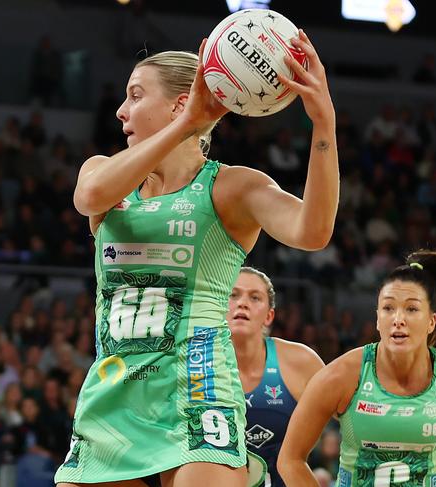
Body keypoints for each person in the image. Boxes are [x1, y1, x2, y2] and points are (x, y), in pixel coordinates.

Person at [55, 27, 339, 487]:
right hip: (114, 389)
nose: (121, 111)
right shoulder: (102, 172)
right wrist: (188, 123)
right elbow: (88, 197)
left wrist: (323, 125)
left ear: (178, 101)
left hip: (198, 386)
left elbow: (313, 231)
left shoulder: (232, 187)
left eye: (135, 95)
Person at [277, 250, 436, 486]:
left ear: (431, 321)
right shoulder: (340, 376)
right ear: (377, 318)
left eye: (412, 309)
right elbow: (290, 459)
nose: (398, 319)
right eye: (388, 308)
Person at [227, 267, 324, 486]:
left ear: (269, 316)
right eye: (233, 295)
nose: (242, 303)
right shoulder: (194, 362)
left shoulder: (301, 361)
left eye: (255, 297)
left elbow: (351, 415)